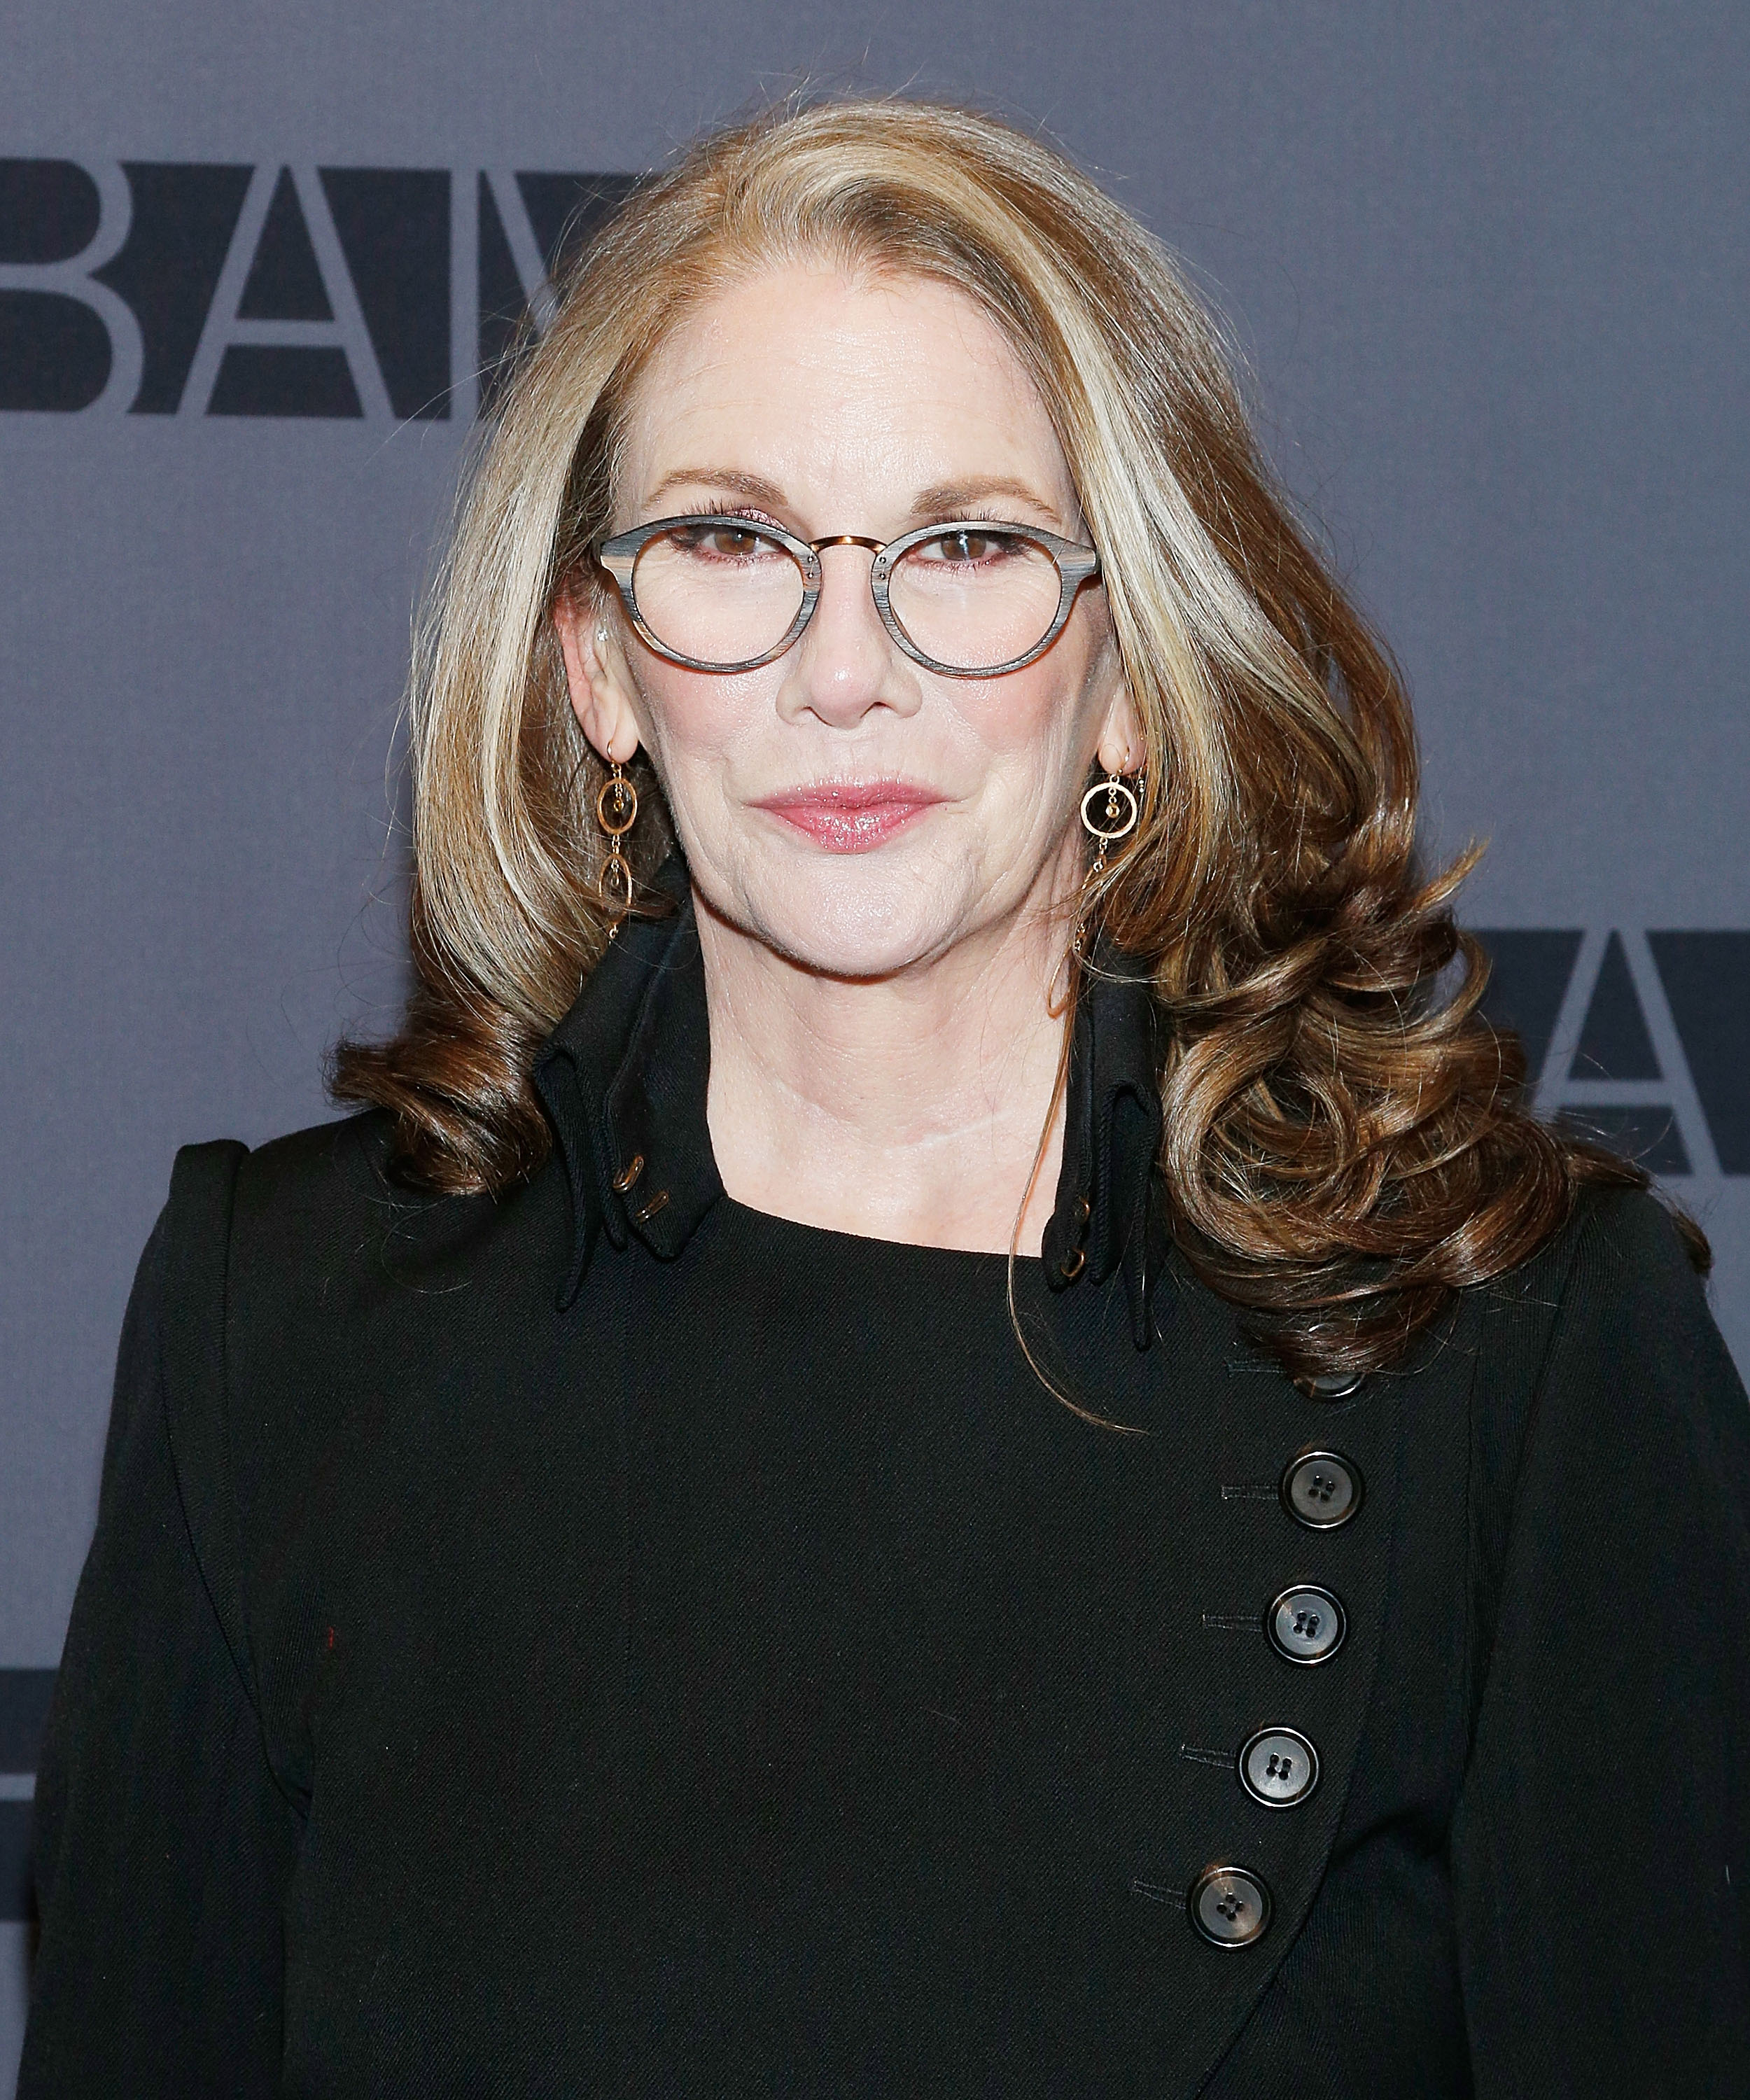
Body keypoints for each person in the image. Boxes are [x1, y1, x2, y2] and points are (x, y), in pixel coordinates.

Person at [21, 97, 1749, 2096]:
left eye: (969, 544)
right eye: (732, 542)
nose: (846, 667)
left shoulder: (1505, 1355)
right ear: (599, 665)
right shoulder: (288, 1327)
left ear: (1126, 669)